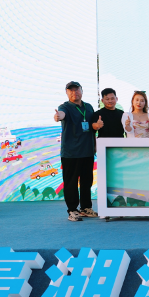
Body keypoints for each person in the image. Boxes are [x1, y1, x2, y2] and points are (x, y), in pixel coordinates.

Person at [53, 81, 96, 221]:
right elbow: (61, 114)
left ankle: (86, 208)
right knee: (70, 182)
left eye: (76, 89)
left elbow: (93, 126)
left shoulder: (89, 107)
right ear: (67, 93)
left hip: (87, 151)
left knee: (86, 182)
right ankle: (72, 210)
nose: (74, 92)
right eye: (70, 90)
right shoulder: (64, 107)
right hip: (70, 153)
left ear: (81, 91)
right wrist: (58, 116)